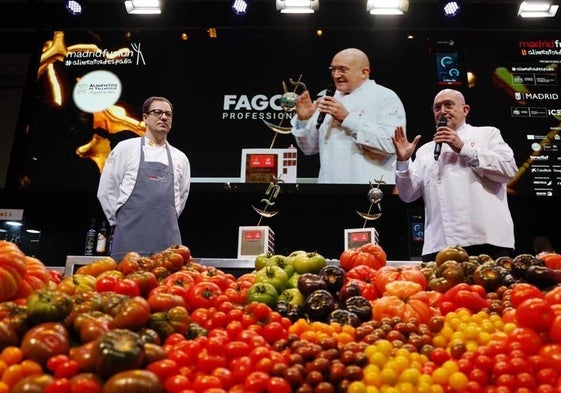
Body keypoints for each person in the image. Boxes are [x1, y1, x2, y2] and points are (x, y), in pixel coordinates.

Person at [391, 88, 518, 262]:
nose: (442, 111)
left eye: (448, 105)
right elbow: (407, 195)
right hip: (439, 245)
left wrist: (463, 149)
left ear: (465, 110)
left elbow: (509, 170)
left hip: (486, 240)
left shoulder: (487, 134)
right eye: (437, 107)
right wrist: (403, 161)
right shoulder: (425, 151)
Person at [290, 48, 406, 184]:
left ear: (364, 72)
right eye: (333, 69)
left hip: (370, 190)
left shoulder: (385, 97)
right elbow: (308, 149)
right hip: (328, 188)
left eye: (342, 69)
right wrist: (304, 120)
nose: (336, 75)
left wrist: (347, 119)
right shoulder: (328, 99)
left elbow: (392, 146)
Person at [97, 96, 191, 261]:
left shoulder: (180, 158)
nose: (163, 117)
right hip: (128, 239)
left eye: (168, 114)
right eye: (157, 112)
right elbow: (107, 190)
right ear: (145, 118)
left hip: (167, 242)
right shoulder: (125, 149)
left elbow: (181, 198)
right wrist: (120, 223)